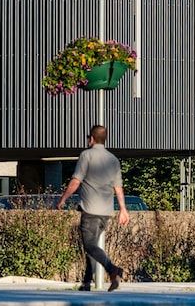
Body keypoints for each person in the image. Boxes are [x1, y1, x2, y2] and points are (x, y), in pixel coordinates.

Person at [56, 124, 129, 291]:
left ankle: (113, 270)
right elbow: (118, 187)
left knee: (90, 246)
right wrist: (123, 209)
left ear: (92, 139)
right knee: (93, 247)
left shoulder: (86, 155)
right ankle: (86, 283)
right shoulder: (113, 159)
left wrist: (63, 199)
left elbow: (76, 180)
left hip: (90, 210)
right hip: (106, 212)